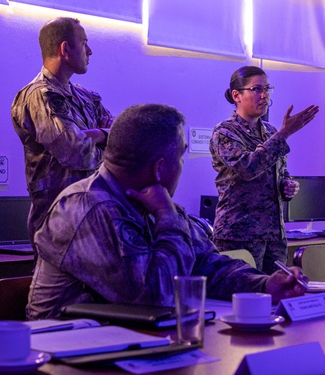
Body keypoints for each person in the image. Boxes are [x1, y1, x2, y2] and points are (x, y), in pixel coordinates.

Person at [26, 103, 306, 320]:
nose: (182, 166)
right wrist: (167, 216)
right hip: (67, 360)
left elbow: (205, 264)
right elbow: (156, 295)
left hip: (125, 348)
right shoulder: (88, 208)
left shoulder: (150, 201)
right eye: (181, 157)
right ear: (160, 168)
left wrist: (264, 285)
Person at [12, 17, 114, 243]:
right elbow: (75, 153)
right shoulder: (39, 96)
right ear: (65, 49)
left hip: (92, 216)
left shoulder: (87, 97)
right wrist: (107, 147)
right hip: (58, 223)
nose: (90, 51)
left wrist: (100, 135)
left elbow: (122, 136)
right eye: (84, 42)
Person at [210, 66, 319, 273]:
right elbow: (247, 168)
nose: (264, 95)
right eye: (256, 89)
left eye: (267, 88)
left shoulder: (270, 131)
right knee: (245, 298)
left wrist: (287, 186)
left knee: (276, 294)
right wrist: (284, 134)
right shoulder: (224, 132)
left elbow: (280, 172)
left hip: (273, 235)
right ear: (237, 95)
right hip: (239, 235)